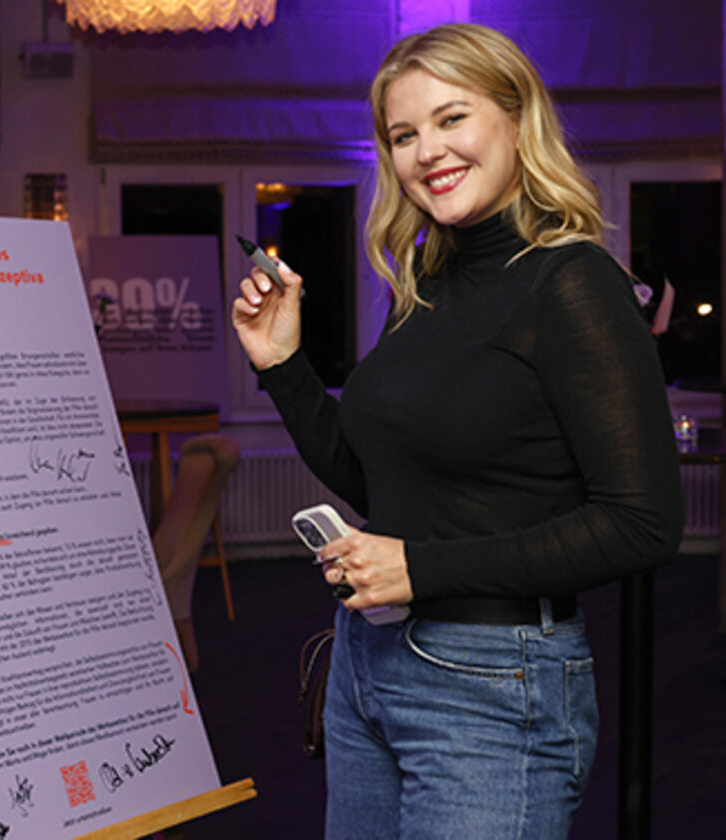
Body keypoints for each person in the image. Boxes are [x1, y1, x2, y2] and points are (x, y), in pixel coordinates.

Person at [231, 23, 684, 840]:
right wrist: (283, 364)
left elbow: (643, 524)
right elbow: (383, 487)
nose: (427, 151)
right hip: (367, 666)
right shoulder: (425, 282)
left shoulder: (573, 282)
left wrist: (420, 568)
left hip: (493, 683)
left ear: (515, 117)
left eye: (451, 119)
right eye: (403, 134)